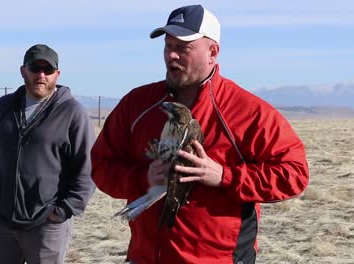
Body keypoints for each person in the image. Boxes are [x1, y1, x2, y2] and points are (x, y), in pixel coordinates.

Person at [91, 5, 309, 264]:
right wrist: (143, 177)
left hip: (218, 258)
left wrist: (224, 176)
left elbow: (294, 174)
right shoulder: (137, 105)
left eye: (182, 48)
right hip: (145, 257)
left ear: (212, 52)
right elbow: (102, 165)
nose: (171, 55)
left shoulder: (249, 112)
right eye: (167, 46)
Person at [0, 44, 95, 264]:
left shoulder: (72, 112)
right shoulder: (4, 107)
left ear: (57, 75)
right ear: (23, 71)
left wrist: (61, 212)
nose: (41, 75)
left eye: (48, 70)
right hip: (0, 222)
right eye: (35, 68)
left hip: (47, 226)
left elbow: (87, 169)